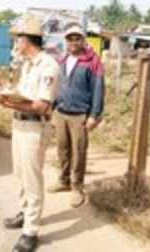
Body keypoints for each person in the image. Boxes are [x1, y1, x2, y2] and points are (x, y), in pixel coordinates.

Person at [0, 15, 60, 252]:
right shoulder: (27, 65)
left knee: (32, 179)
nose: (16, 45)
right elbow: (24, 94)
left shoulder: (48, 65)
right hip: (20, 125)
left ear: (26, 40)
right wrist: (6, 94)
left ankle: (31, 232)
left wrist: (8, 104)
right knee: (21, 174)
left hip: (36, 126)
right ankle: (24, 213)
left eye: (17, 40)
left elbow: (42, 106)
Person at [48, 24, 105, 208]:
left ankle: (77, 187)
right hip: (61, 113)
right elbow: (56, 86)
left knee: (79, 152)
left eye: (77, 38)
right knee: (62, 150)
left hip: (80, 115)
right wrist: (53, 109)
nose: (73, 42)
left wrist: (94, 115)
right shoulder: (63, 61)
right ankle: (63, 180)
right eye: (70, 39)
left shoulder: (93, 61)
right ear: (66, 41)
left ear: (83, 40)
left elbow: (98, 90)